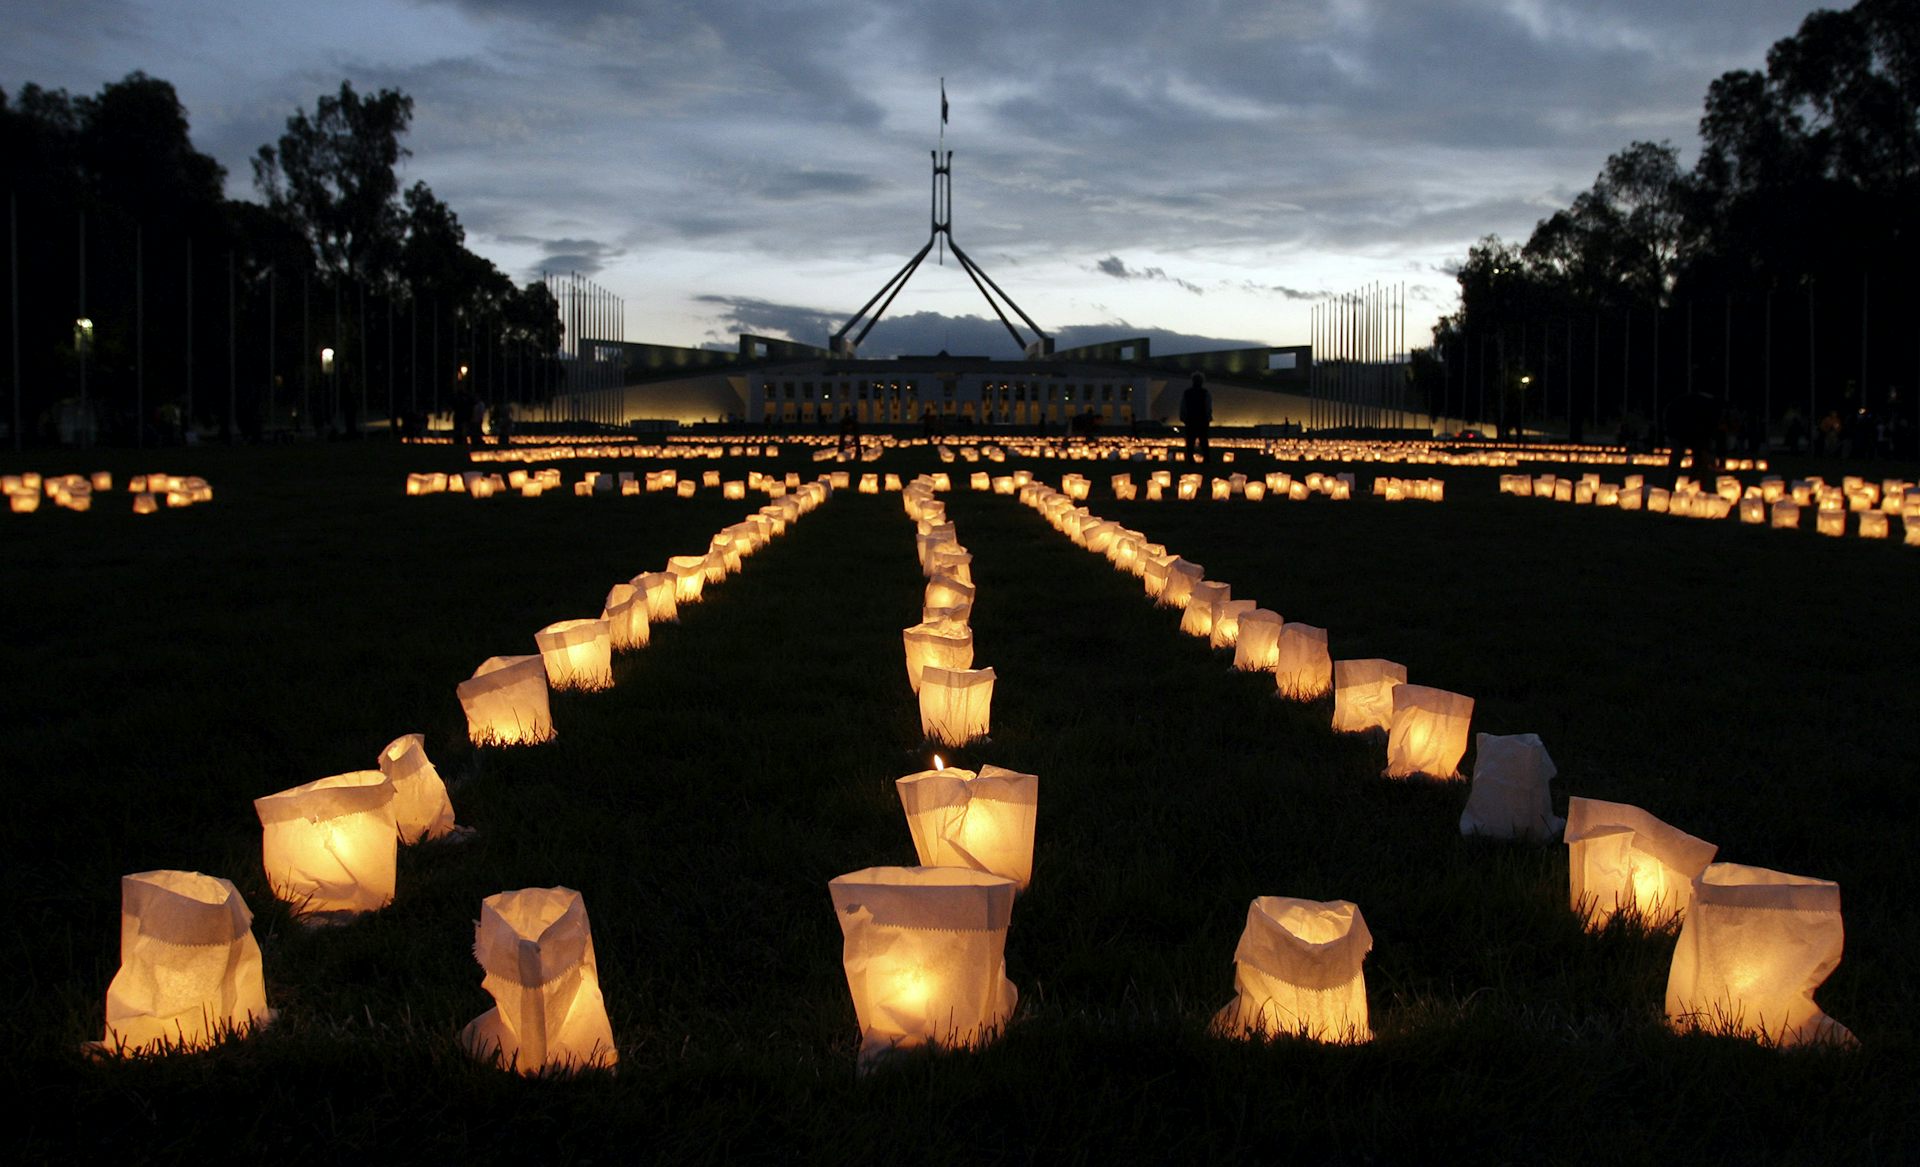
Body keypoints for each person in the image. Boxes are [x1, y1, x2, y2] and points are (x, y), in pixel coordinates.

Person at [1180, 372, 1212, 463]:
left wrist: (1183, 416)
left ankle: (1191, 459)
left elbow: (1183, 406)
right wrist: (1208, 417)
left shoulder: (1187, 393)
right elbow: (1208, 406)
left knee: (1191, 441)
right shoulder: (1205, 393)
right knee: (1203, 441)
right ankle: (1206, 458)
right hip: (1201, 420)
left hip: (1191, 420)